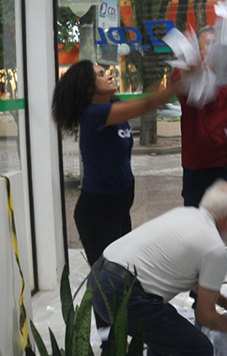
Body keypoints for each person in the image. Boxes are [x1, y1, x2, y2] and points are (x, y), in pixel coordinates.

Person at [51, 60, 179, 328]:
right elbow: (147, 104)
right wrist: (176, 85)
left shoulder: (112, 110)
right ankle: (109, 341)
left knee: (123, 276)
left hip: (118, 208)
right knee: (107, 282)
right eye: (100, 74)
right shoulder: (94, 115)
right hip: (97, 212)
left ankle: (122, 337)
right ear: (89, 89)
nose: (108, 75)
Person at [90, 181, 227, 355]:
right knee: (198, 348)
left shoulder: (185, 214)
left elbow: (200, 285)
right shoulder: (215, 249)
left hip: (99, 278)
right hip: (125, 294)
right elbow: (205, 316)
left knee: (166, 340)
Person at [175, 27, 227, 308]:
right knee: (201, 236)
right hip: (200, 171)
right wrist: (195, 66)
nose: (216, 48)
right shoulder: (188, 76)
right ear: (198, 51)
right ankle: (201, 299)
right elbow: (182, 84)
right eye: (209, 44)